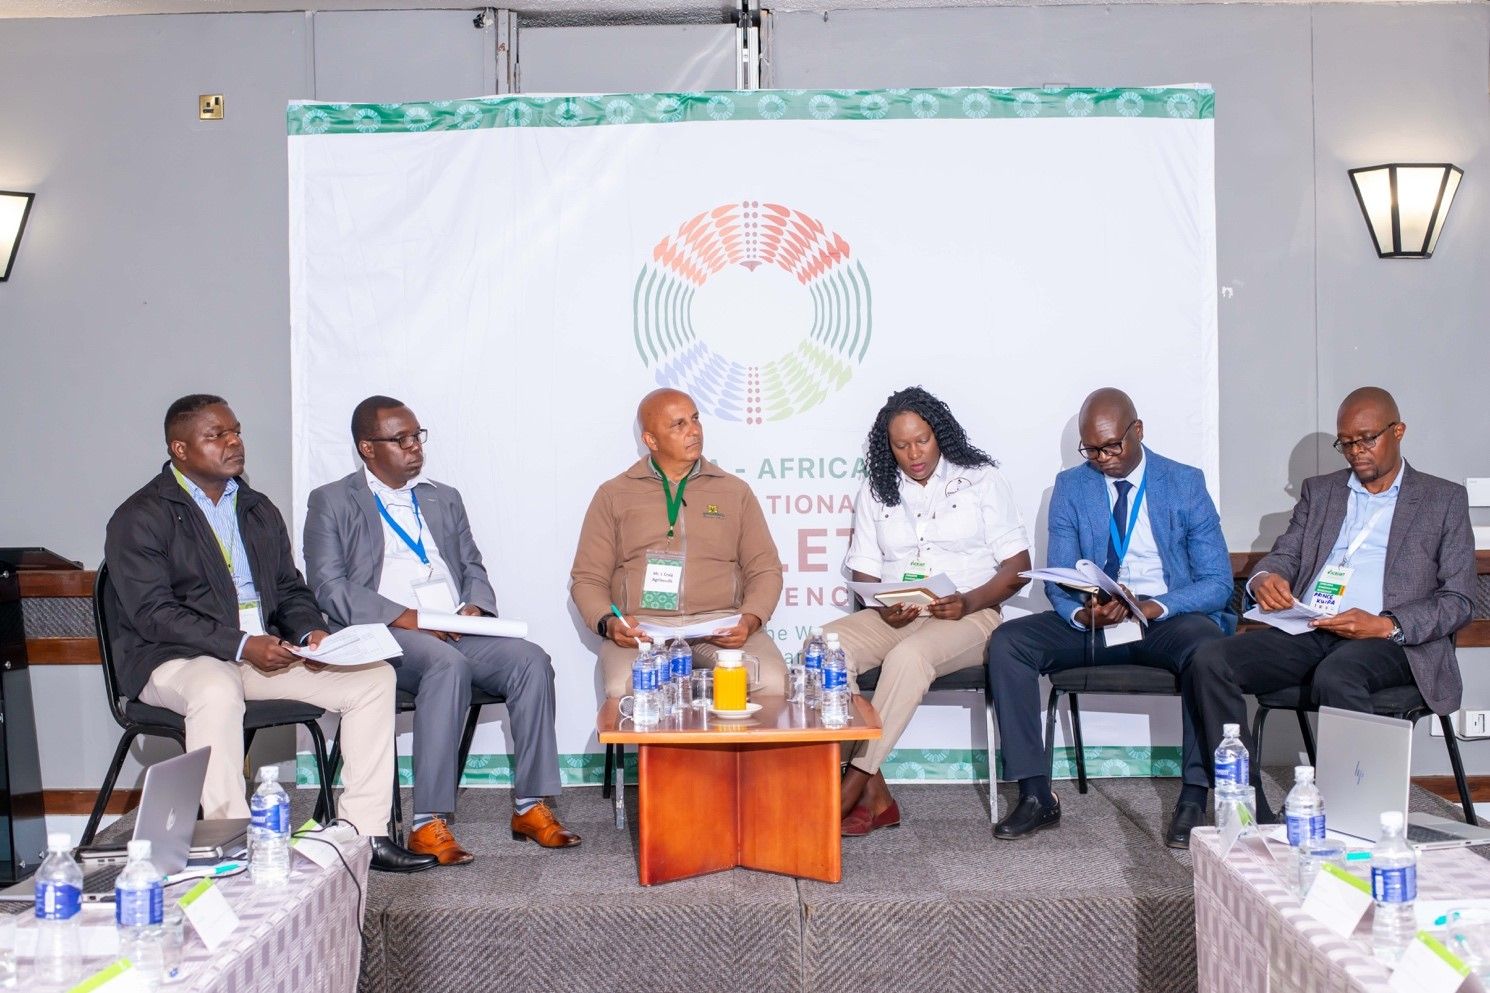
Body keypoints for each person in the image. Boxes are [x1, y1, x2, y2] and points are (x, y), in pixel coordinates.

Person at [103, 394, 436, 873]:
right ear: (179, 448)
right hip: (173, 661)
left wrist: (313, 632)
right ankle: (233, 845)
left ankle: (364, 834)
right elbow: (154, 614)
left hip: (255, 657)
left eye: (236, 431)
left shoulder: (255, 509)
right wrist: (240, 644)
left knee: (372, 678)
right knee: (215, 687)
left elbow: (289, 589)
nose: (233, 442)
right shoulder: (141, 516)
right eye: (216, 435)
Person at [304, 396, 578, 857]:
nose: (414, 447)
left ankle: (531, 804)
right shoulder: (332, 500)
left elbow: (473, 565)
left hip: (453, 626)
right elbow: (328, 586)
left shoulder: (443, 497)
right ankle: (428, 821)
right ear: (367, 448)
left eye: (417, 436)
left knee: (531, 660)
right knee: (445, 666)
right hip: (385, 630)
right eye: (400, 439)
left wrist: (475, 606)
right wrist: (405, 616)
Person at [1186, 387, 1474, 820]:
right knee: (1208, 658)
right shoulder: (1321, 493)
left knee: (1339, 673)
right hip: (1313, 627)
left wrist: (1386, 624)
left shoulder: (1442, 499)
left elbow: (1459, 598)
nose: (1355, 452)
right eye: (1346, 443)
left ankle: (1354, 814)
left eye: (1367, 439)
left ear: (1398, 431)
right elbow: (1286, 553)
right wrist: (1267, 577)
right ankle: (1248, 811)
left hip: (1391, 642)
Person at [985, 387, 1234, 848]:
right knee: (1009, 643)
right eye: (1091, 450)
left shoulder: (1183, 483)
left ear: (1137, 431)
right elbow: (1056, 578)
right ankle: (1036, 794)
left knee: (1209, 651)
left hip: (1165, 618)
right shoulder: (1071, 487)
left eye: (1111, 446)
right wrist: (1083, 612)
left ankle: (1194, 797)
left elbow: (1218, 581)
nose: (1102, 459)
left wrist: (1160, 605)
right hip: (1101, 621)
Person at [828, 387, 1032, 836]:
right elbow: (862, 572)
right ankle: (876, 794)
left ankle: (849, 787)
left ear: (939, 434)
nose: (913, 453)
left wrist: (969, 601)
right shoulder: (877, 491)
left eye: (921, 440)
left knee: (909, 659)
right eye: (901, 445)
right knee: (822, 648)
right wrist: (881, 604)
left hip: (970, 616)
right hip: (899, 614)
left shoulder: (982, 480)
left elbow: (1019, 568)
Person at [571, 388, 786, 697]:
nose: (694, 430)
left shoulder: (733, 492)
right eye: (679, 425)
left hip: (718, 625)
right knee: (623, 687)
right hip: (644, 630)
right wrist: (608, 623)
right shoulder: (614, 495)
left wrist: (749, 620)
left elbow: (765, 568)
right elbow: (588, 578)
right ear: (651, 441)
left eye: (695, 419)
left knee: (771, 681)